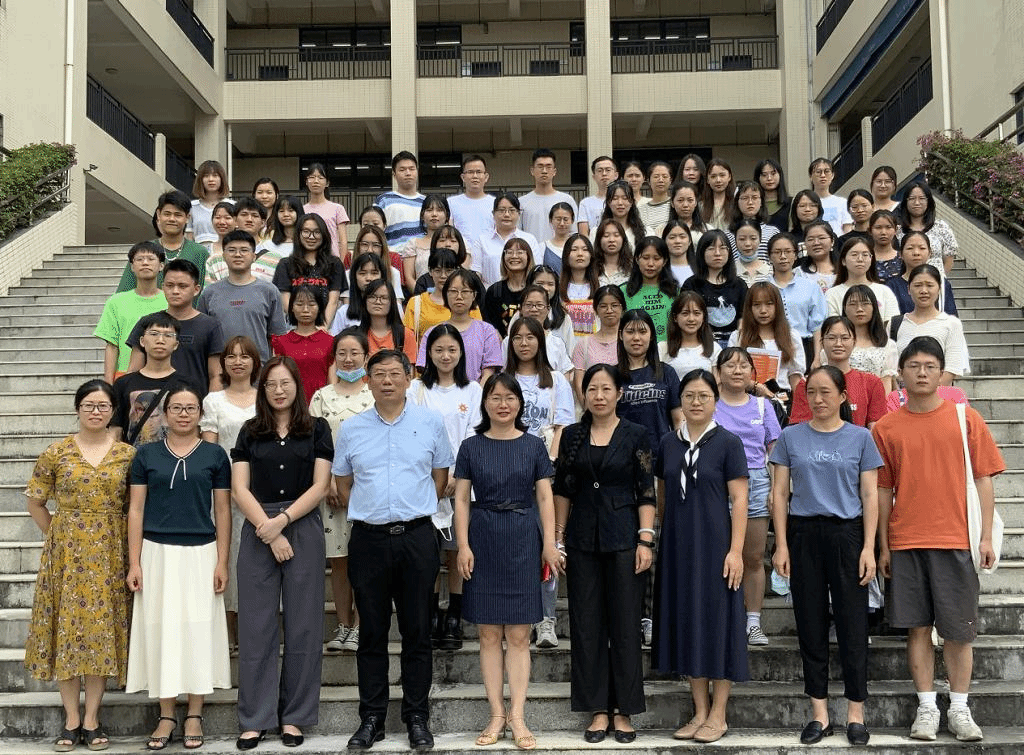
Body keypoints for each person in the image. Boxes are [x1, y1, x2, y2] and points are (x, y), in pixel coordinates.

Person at [872, 336, 1005, 743]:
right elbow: (882, 490)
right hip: (906, 540)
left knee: (959, 631)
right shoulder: (885, 427)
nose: (922, 373)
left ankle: (960, 708)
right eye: (914, 366)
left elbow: (984, 479)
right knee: (917, 629)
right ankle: (927, 707)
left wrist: (985, 537)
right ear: (900, 373)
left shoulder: (966, 419)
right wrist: (883, 545)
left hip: (956, 538)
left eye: (930, 366)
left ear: (942, 372)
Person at [333, 349, 453, 751]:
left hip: (417, 537)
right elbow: (343, 486)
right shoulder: (352, 428)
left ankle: (417, 717)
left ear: (408, 378)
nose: (387, 381)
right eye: (379, 374)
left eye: (394, 374)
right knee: (371, 632)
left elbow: (439, 480)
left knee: (417, 631)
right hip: (368, 540)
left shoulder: (429, 422)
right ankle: (372, 718)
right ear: (367, 381)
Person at [770, 366, 883, 746]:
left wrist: (868, 547)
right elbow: (779, 494)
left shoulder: (861, 437)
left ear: (842, 396)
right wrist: (781, 544)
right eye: (811, 392)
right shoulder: (790, 437)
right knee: (810, 623)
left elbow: (870, 495)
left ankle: (855, 713)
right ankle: (819, 713)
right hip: (803, 533)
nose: (818, 399)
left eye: (825, 392)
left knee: (853, 624)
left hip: (847, 534)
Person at [24, 380, 135, 753]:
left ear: (113, 411)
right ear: (77, 409)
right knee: (68, 634)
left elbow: (135, 506)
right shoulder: (56, 452)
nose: (96, 411)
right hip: (67, 557)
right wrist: (58, 535)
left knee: (100, 634)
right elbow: (36, 501)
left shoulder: (127, 455)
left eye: (103, 406)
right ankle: (72, 719)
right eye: (89, 405)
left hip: (110, 553)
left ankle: (92, 719)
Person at [453, 373, 560, 750]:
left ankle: (517, 715)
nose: (503, 404)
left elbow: (545, 497)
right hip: (483, 537)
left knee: (518, 634)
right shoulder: (471, 446)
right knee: (487, 633)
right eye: (495, 397)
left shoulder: (533, 446)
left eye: (509, 397)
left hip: (522, 537)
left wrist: (549, 543)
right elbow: (461, 498)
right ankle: (496, 713)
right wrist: (463, 545)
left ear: (519, 403)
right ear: (485, 403)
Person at [231, 356, 333, 749]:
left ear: (297, 386)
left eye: (285, 383)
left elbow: (320, 486)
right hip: (259, 524)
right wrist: (270, 530)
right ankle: (255, 718)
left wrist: (284, 521)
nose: (278, 390)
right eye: (271, 383)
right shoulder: (250, 430)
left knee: (304, 622)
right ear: (262, 389)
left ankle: (294, 717)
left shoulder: (317, 428)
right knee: (256, 625)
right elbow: (240, 488)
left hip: (302, 523)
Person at [125, 383, 232, 751]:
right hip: (156, 553)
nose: (184, 414)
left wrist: (222, 561)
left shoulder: (215, 455)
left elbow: (222, 510)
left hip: (201, 552)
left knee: (198, 631)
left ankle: (194, 714)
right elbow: (136, 509)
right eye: (177, 408)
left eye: (191, 408)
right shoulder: (146, 454)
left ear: (200, 414)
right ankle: (167, 714)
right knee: (161, 631)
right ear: (165, 413)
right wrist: (134, 561)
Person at [553, 365, 656, 744]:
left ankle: (624, 710)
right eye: (592, 389)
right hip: (582, 539)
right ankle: (597, 709)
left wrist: (645, 540)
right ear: (583, 394)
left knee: (626, 625)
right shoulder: (572, 435)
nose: (598, 395)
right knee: (586, 625)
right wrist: (558, 538)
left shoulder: (636, 434)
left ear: (618, 394)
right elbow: (563, 490)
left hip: (625, 538)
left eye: (606, 389)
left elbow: (646, 490)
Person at [653, 368, 749, 743]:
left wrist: (736, 551)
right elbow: (663, 494)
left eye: (703, 396)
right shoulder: (668, 443)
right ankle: (699, 711)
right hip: (679, 546)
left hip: (717, 545)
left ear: (715, 401)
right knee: (689, 620)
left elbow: (739, 499)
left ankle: (719, 714)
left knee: (718, 623)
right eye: (689, 396)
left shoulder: (728, 443)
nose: (696, 402)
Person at [408, 324, 483, 652]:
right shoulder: (416, 389)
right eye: (439, 350)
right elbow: (411, 431)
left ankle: (454, 613)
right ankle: (428, 614)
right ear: (429, 353)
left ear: (461, 353)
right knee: (426, 553)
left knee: (456, 551)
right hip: (423, 482)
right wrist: (434, 475)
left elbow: (474, 433)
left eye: (452, 349)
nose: (445, 356)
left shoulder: (472, 390)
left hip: (461, 484)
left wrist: (457, 475)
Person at [309, 329, 375, 655]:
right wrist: (331, 482)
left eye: (355, 353)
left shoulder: (375, 395)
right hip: (332, 492)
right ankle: (343, 625)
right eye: (342, 353)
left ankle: (361, 626)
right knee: (338, 561)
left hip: (368, 491)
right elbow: (315, 446)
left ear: (366, 356)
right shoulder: (321, 397)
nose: (348, 359)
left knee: (365, 560)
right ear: (334, 357)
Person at [714, 347, 782, 647]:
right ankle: (723, 619)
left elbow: (775, 453)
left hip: (755, 482)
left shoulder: (763, 407)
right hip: (717, 483)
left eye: (744, 365)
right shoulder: (711, 404)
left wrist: (776, 491)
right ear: (718, 372)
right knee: (718, 555)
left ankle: (752, 621)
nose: (737, 370)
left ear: (752, 373)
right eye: (730, 365)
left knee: (753, 557)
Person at [199, 336, 260, 651]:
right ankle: (228, 631)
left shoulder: (266, 397)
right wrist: (229, 487)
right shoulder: (213, 401)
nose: (238, 362)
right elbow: (210, 451)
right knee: (227, 558)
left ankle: (255, 629)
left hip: (261, 493)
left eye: (244, 356)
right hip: (224, 494)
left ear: (255, 362)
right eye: (231, 356)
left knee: (255, 562)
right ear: (223, 363)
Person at [126, 258, 225, 396]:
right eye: (170, 285)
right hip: (152, 403)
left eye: (182, 286)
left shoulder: (210, 325)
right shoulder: (148, 323)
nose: (175, 291)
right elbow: (133, 370)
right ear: (163, 287)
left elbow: (216, 375)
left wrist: (211, 405)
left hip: (195, 403)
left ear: (196, 289)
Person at [197, 230, 288, 363]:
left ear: (254, 256)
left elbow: (278, 338)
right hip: (221, 369)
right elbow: (202, 338)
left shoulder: (269, 291)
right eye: (232, 250)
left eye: (244, 250)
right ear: (223, 256)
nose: (238, 254)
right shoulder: (209, 293)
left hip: (260, 369)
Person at [788, 316, 887, 428]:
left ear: (854, 342)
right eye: (831, 338)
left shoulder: (871, 382)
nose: (838, 344)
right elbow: (800, 428)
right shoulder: (807, 384)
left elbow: (875, 427)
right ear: (822, 342)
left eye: (845, 338)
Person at [95, 241, 167, 383]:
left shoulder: (170, 301)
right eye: (139, 259)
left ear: (161, 265)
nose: (145, 263)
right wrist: (109, 384)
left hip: (163, 373)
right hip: (124, 375)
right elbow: (112, 346)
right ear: (132, 266)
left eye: (151, 259)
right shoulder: (116, 302)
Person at [417, 269, 503, 383]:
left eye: (465, 291)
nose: (459, 297)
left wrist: (477, 392)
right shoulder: (433, 332)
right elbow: (426, 370)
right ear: (446, 294)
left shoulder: (487, 331)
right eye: (453, 291)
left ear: (474, 295)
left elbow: (489, 372)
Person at [111, 312, 182, 448]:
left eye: (168, 335)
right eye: (154, 334)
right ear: (142, 341)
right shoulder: (123, 384)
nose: (160, 340)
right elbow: (115, 431)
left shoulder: (187, 384)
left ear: (176, 344)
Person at [616, 309, 682, 454]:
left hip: (662, 454)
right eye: (630, 332)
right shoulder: (612, 376)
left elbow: (678, 419)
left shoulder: (667, 373)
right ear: (621, 335)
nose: (636, 338)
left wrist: (678, 452)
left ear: (651, 335)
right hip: (623, 456)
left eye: (642, 332)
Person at [117, 191, 210, 294]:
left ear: (187, 218)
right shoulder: (143, 252)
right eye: (167, 214)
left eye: (178, 215)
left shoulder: (200, 253)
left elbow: (206, 294)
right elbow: (123, 295)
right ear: (158, 215)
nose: (172, 219)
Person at [890, 264, 969, 384]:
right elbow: (890, 369)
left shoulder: (952, 324)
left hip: (938, 394)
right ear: (908, 289)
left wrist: (926, 392)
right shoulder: (895, 324)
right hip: (902, 394)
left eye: (930, 285)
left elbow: (951, 369)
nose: (923, 291)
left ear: (939, 289)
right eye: (917, 285)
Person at [729, 281, 806, 395]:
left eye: (769, 304)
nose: (763, 310)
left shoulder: (791, 336)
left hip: (782, 398)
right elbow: (731, 373)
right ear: (749, 308)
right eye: (757, 305)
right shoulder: (737, 337)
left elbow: (795, 376)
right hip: (747, 397)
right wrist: (755, 386)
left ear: (777, 306)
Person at [273, 213, 347, 327]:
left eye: (317, 232)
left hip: (325, 327)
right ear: (298, 234)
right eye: (306, 231)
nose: (311, 237)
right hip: (295, 327)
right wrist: (302, 327)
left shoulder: (334, 264)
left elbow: (333, 301)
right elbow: (286, 301)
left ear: (324, 235)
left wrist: (323, 327)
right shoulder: (285, 264)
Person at [768, 233, 827, 369]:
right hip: (772, 347)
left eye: (788, 251)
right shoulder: (763, 288)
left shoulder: (810, 287)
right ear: (769, 257)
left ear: (795, 255)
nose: (783, 256)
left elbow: (817, 326)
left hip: (804, 346)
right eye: (777, 252)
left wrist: (817, 358)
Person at [680, 230, 748, 347]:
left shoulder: (739, 284)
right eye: (711, 248)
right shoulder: (691, 284)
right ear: (702, 252)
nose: (717, 253)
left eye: (722, 248)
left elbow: (743, 317)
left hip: (734, 343)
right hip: (701, 343)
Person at [273, 285, 334, 399]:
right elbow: (277, 378)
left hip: (321, 401)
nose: (305, 310)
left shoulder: (330, 341)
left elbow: (332, 383)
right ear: (292, 307)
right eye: (300, 304)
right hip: (291, 400)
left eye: (311, 304)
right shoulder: (281, 342)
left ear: (319, 307)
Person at [473, 193, 541, 288]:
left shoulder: (529, 239)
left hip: (523, 293)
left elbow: (536, 271)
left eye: (512, 210)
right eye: (501, 210)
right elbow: (476, 273)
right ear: (493, 214)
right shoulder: (482, 240)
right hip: (490, 293)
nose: (506, 215)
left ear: (519, 214)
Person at [826, 238, 901, 324]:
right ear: (843, 261)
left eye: (865, 255)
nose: (860, 259)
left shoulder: (884, 291)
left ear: (871, 259)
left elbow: (891, 325)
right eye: (854, 255)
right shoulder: (832, 294)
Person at [571, 283, 626, 400]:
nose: (609, 310)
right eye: (603, 306)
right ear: (596, 309)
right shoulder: (584, 344)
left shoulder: (628, 341)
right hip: (594, 405)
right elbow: (579, 383)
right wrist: (588, 407)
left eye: (614, 305)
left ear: (622, 308)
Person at [504, 285, 573, 377]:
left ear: (548, 309)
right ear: (521, 309)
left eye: (539, 305)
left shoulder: (557, 343)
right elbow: (503, 373)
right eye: (528, 305)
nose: (534, 309)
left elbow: (565, 376)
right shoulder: (509, 341)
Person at [842, 285, 899, 392]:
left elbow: (886, 386)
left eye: (865, 304)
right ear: (845, 308)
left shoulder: (888, 345)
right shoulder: (837, 343)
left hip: (876, 399)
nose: (859, 309)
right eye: (853, 304)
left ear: (874, 307)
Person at [887, 231, 958, 315]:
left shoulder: (942, 284)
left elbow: (950, 316)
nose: (916, 253)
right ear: (900, 254)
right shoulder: (892, 285)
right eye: (910, 248)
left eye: (922, 248)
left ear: (930, 253)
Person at [621, 235, 677, 342]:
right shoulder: (623, 291)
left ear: (665, 261)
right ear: (637, 259)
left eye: (656, 258)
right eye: (645, 258)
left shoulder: (675, 292)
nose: (650, 264)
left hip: (668, 349)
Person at [518, 148, 578, 242]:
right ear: (532, 171)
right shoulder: (522, 202)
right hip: (531, 250)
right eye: (540, 166)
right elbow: (518, 233)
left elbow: (574, 232)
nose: (544, 171)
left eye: (548, 167)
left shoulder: (567, 200)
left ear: (554, 171)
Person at [897, 181, 958, 275]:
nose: (917, 203)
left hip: (936, 281)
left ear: (928, 202)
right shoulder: (898, 230)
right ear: (906, 202)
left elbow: (949, 261)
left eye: (922, 198)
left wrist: (939, 280)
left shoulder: (941, 227)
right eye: (912, 198)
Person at [402, 247, 460, 343]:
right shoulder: (416, 303)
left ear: (456, 271)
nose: (443, 276)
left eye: (448, 271)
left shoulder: (467, 302)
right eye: (438, 271)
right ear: (430, 271)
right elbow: (408, 340)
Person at [660, 290, 721, 378]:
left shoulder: (714, 348)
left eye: (697, 313)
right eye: (685, 313)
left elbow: (717, 382)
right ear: (675, 317)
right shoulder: (662, 348)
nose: (691, 319)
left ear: (703, 317)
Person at [482, 237, 533, 338]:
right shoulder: (494, 291)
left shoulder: (534, 290)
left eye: (520, 252)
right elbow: (489, 325)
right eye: (509, 252)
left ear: (528, 257)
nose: (514, 256)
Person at [375, 151, 426, 249]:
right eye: (402, 170)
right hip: (393, 256)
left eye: (412, 169)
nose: (408, 173)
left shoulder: (426, 202)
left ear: (417, 172)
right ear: (394, 174)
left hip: (420, 255)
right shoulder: (383, 200)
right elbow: (374, 231)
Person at [359, 279, 417, 364]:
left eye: (384, 298)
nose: (378, 302)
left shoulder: (405, 335)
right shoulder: (355, 335)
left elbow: (410, 370)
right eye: (372, 297)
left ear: (392, 302)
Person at [330, 252, 389, 335]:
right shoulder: (343, 312)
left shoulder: (394, 308)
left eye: (374, 273)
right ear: (354, 277)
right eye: (362, 273)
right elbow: (335, 340)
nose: (369, 278)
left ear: (382, 276)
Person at [400, 194, 450, 291]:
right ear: (422, 215)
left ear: (447, 215)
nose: (434, 214)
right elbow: (409, 278)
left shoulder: (456, 242)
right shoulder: (413, 244)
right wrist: (425, 297)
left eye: (439, 210)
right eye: (429, 210)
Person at [303, 162, 350, 258]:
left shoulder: (337, 209)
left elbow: (343, 241)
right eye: (312, 177)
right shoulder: (301, 209)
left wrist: (341, 263)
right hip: (307, 260)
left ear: (327, 183)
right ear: (306, 182)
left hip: (332, 260)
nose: (316, 181)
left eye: (320, 178)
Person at [348, 224, 405, 302]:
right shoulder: (348, 274)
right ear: (358, 246)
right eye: (365, 244)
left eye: (376, 245)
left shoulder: (393, 273)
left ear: (382, 248)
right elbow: (347, 304)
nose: (370, 250)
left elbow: (397, 305)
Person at [559, 233, 601, 337]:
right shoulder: (557, 288)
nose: (580, 254)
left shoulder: (601, 286)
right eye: (574, 249)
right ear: (566, 255)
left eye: (585, 249)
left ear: (591, 255)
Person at [727, 182, 781, 262]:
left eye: (754, 198)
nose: (750, 202)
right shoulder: (728, 234)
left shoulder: (773, 232)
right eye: (745, 198)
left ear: (761, 201)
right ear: (737, 202)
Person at [254, 195, 303, 282]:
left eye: (290, 210)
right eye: (281, 211)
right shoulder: (267, 245)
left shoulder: (307, 244)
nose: (286, 214)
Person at [447, 154, 494, 244]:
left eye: (479, 172)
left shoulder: (495, 203)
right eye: (470, 172)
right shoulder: (451, 203)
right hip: (461, 252)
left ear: (486, 177)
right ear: (463, 177)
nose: (475, 176)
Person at [186, 160, 232, 248]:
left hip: (226, 250)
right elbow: (189, 237)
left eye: (215, 175)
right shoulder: (192, 207)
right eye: (206, 176)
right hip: (199, 252)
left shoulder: (232, 205)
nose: (211, 179)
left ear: (222, 179)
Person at [808, 158, 853, 236]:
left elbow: (847, 230)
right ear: (811, 176)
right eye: (818, 172)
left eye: (827, 171)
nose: (823, 175)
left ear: (832, 175)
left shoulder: (842, 202)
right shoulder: (806, 203)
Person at [595, 181, 644, 250]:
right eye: (615, 198)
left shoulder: (645, 232)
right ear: (608, 202)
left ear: (632, 202)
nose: (620, 203)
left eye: (625, 198)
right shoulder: (596, 232)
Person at [578, 155, 618, 237]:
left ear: (616, 175)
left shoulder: (623, 202)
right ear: (594, 177)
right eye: (600, 170)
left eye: (608, 170)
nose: (604, 174)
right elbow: (584, 235)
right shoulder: (585, 203)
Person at [795, 220, 837, 294]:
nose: (816, 243)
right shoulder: (798, 274)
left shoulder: (846, 271)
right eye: (810, 239)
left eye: (821, 238)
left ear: (832, 241)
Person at [201, 202, 240, 281]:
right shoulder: (206, 250)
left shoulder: (244, 248)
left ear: (236, 222)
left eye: (227, 218)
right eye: (217, 217)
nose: (222, 222)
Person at [731, 220, 774, 286]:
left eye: (753, 238)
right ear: (735, 241)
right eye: (742, 239)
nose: (747, 244)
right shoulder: (729, 271)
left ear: (760, 239)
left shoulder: (770, 271)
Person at [755, 158, 791, 230]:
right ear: (758, 178)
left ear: (780, 175)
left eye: (773, 174)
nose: (769, 178)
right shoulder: (753, 204)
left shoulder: (791, 203)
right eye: (764, 175)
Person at [594, 219, 632, 287]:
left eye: (616, 235)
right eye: (606, 236)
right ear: (599, 240)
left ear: (623, 239)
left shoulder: (632, 268)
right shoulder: (591, 268)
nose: (611, 240)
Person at [700, 158, 736, 230]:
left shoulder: (737, 203)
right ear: (707, 180)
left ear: (729, 177)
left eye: (722, 175)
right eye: (713, 176)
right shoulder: (700, 205)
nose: (718, 180)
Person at [639, 161, 673, 235]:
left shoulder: (675, 205)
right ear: (648, 181)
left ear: (670, 180)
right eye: (656, 176)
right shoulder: (640, 210)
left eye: (664, 176)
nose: (660, 180)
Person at [541, 202, 574, 275]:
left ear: (572, 221)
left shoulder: (578, 246)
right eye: (558, 219)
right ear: (551, 220)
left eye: (565, 219)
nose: (562, 223)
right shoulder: (543, 247)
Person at [869, 210, 902, 283]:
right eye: (878, 227)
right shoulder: (865, 258)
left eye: (888, 227)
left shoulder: (903, 258)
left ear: (896, 230)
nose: (883, 232)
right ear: (870, 230)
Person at [662, 219, 695, 285]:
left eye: (682, 237)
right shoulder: (659, 270)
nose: (677, 241)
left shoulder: (701, 268)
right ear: (664, 241)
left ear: (690, 241)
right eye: (672, 237)